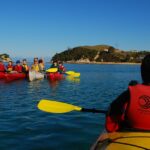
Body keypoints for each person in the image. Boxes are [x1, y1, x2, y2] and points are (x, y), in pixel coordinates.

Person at [106, 54, 150, 132]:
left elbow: (112, 113)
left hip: (130, 134)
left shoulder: (129, 93)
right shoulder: (130, 92)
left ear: (142, 72)